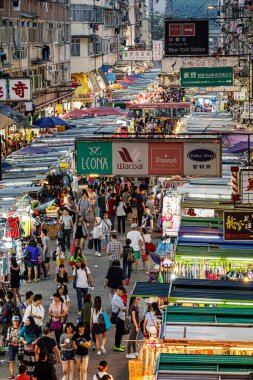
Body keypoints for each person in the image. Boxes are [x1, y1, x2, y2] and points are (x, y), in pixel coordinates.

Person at [111, 286, 127, 352]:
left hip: (120, 317)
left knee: (119, 333)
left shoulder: (118, 297)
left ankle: (118, 345)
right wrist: (127, 311)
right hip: (119, 318)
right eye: (122, 293)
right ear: (119, 291)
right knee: (118, 333)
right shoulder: (116, 298)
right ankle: (117, 346)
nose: (123, 294)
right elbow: (123, 308)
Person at [7, 315, 21, 379]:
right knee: (11, 360)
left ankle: (21, 374)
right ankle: (12, 374)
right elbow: (8, 337)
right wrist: (9, 339)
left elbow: (23, 337)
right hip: (12, 346)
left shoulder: (21, 328)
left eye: (16, 321)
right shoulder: (9, 329)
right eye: (14, 321)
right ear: (12, 322)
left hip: (20, 346)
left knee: (21, 360)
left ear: (18, 321)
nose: (15, 322)